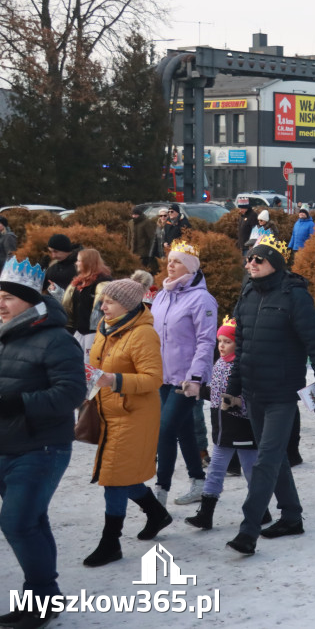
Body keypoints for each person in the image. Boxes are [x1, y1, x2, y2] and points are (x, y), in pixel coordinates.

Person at [225, 234, 315, 555]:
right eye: (249, 259)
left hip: (283, 395)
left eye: (258, 259)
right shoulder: (247, 294)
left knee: (266, 461)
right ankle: (291, 516)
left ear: (274, 263)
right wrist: (233, 390)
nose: (251, 264)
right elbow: (241, 347)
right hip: (253, 391)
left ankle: (249, 530)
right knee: (274, 459)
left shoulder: (294, 296)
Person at [0, 258, 85, 629]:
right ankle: (42, 599)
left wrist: (19, 402)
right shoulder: (4, 334)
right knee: (32, 521)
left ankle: (40, 601)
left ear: (29, 300)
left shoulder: (56, 338)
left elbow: (71, 393)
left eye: (7, 297)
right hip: (6, 444)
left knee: (18, 523)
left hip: (42, 447)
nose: (0, 304)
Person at [83, 275, 169, 567]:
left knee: (114, 477)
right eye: (103, 300)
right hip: (108, 410)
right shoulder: (106, 328)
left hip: (134, 413)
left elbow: (153, 378)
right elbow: (97, 364)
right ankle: (157, 513)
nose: (103, 305)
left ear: (128, 305)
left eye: (110, 301)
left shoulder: (143, 334)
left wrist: (113, 379)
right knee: (121, 473)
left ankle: (111, 543)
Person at [150, 239, 217, 506]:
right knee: (184, 429)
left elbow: (206, 341)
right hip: (162, 376)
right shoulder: (163, 294)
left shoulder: (202, 299)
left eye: (177, 261)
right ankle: (198, 481)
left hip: (187, 380)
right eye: (169, 261)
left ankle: (160, 491)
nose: (170, 265)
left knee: (164, 430)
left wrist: (196, 377)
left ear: (189, 266)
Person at [184, 317, 265, 530]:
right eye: (219, 341)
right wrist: (198, 391)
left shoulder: (243, 365)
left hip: (242, 428)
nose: (221, 345)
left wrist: (237, 404)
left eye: (227, 341)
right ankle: (205, 514)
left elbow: (251, 397)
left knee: (250, 471)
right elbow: (218, 393)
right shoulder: (219, 363)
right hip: (223, 429)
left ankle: (261, 512)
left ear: (238, 343)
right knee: (216, 470)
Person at [61, 247, 112, 360]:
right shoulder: (79, 282)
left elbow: (101, 308)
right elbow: (71, 304)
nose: (76, 263)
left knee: (90, 366)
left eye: (79, 260)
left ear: (88, 263)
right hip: (79, 331)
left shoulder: (102, 282)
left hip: (94, 334)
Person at [128, 205, 157, 270]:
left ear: (140, 214)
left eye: (136, 214)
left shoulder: (146, 222)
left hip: (144, 252)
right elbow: (129, 237)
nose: (134, 216)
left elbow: (152, 237)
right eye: (133, 214)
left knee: (143, 269)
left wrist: (151, 252)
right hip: (133, 252)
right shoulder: (130, 223)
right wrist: (128, 249)